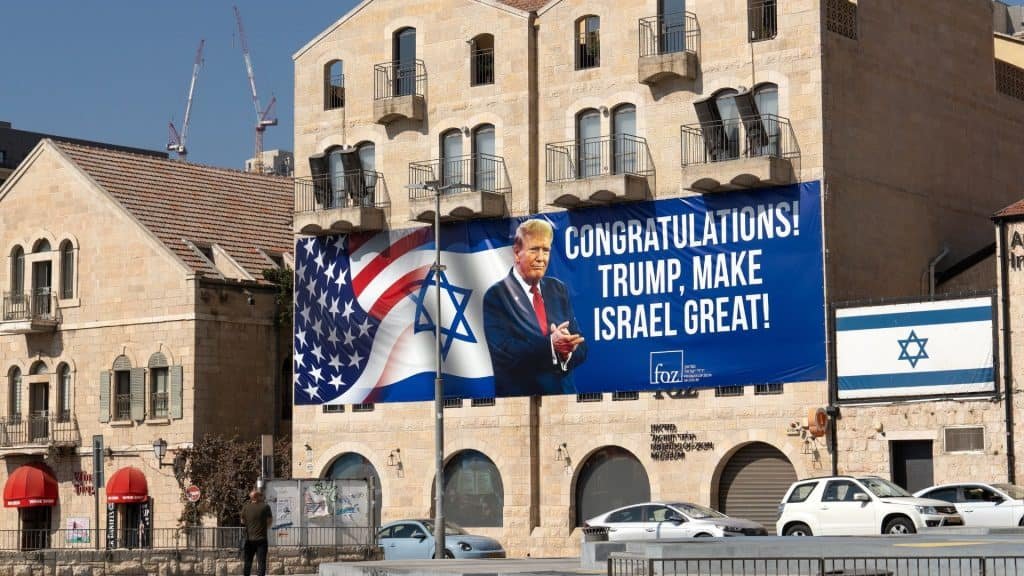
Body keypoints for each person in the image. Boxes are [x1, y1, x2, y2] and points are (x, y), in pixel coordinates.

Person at [484, 218, 587, 397]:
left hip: (564, 398)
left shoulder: (558, 289)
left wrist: (567, 350)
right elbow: (507, 354)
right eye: (534, 250)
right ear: (517, 253)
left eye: (546, 250)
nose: (541, 258)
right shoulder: (496, 296)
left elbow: (582, 348)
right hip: (521, 401)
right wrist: (552, 345)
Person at [241, 489, 273, 576]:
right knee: (261, 563)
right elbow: (270, 521)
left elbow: (242, 521)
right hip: (261, 539)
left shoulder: (246, 507)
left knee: (248, 562)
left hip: (249, 540)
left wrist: (250, 523)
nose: (261, 497)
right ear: (257, 497)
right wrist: (264, 527)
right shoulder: (265, 507)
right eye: (260, 495)